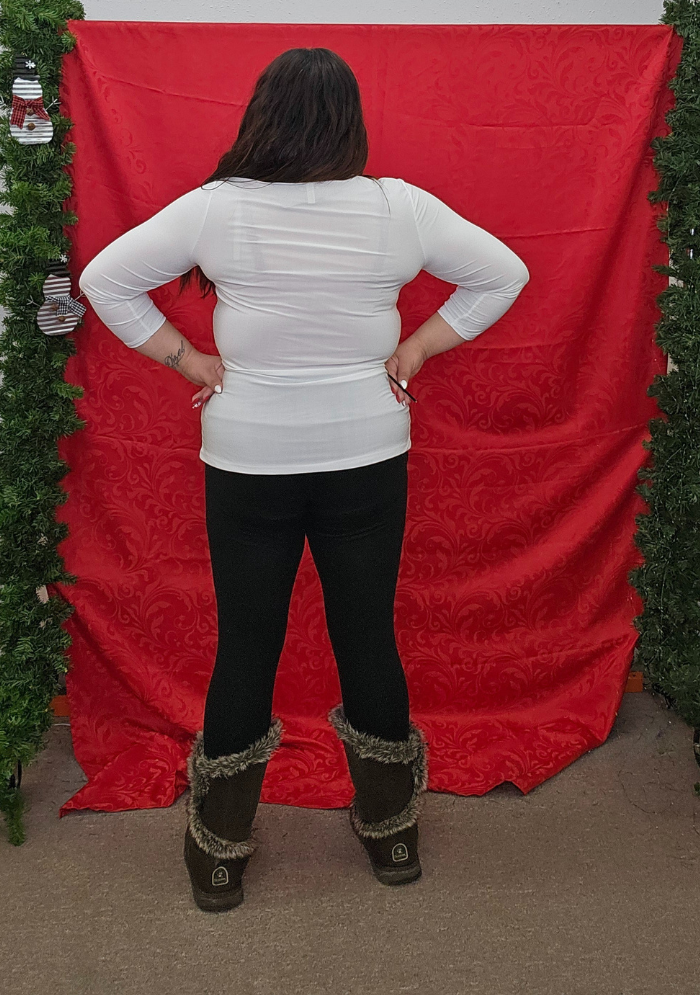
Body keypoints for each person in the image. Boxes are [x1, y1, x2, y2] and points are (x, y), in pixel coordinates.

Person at [78, 46, 530, 913]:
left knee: (247, 643)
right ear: (349, 123)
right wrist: (415, 350)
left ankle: (218, 861)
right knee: (368, 637)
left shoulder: (218, 208)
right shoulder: (398, 206)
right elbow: (503, 273)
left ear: (263, 117)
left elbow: (104, 280)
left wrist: (188, 362)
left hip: (250, 461)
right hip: (368, 454)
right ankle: (392, 839)